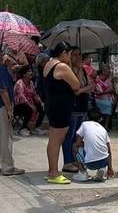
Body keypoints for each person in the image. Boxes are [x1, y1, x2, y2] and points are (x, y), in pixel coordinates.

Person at [43, 42, 80, 184]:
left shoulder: (49, 64)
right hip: (60, 107)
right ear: (64, 53)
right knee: (57, 140)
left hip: (53, 105)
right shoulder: (62, 66)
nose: (70, 57)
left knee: (53, 140)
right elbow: (76, 84)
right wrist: (70, 63)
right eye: (70, 54)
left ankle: (51, 170)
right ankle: (54, 173)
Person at [62, 47, 94, 174]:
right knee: (69, 136)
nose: (78, 57)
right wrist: (86, 88)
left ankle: (76, 159)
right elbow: (76, 90)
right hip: (73, 107)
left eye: (79, 55)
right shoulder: (68, 71)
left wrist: (86, 87)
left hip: (83, 107)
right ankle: (67, 161)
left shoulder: (82, 71)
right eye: (75, 55)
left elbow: (90, 86)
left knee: (78, 137)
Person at [72, 109, 114, 182]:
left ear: (87, 118)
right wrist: (110, 168)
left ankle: (82, 173)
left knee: (74, 146)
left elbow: (77, 144)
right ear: (100, 119)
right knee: (103, 150)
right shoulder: (103, 129)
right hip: (103, 162)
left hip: (90, 163)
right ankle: (102, 169)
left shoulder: (84, 124)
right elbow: (109, 151)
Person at [0, 53, 24, 176]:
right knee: (5, 137)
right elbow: (3, 90)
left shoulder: (5, 69)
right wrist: (10, 109)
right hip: (2, 107)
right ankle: (7, 166)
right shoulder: (1, 70)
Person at [13, 65, 44, 135]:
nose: (31, 73)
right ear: (24, 74)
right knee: (29, 109)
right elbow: (21, 96)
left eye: (31, 71)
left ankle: (37, 127)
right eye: (29, 71)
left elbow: (35, 94)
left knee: (42, 108)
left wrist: (41, 102)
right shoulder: (19, 83)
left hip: (29, 103)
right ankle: (23, 129)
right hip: (19, 105)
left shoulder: (31, 83)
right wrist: (30, 105)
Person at [94, 64, 116, 131]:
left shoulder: (110, 80)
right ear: (102, 71)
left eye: (109, 69)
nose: (108, 71)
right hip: (98, 98)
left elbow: (113, 90)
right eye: (107, 70)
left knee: (108, 109)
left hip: (107, 99)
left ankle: (106, 126)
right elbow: (94, 89)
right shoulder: (96, 79)